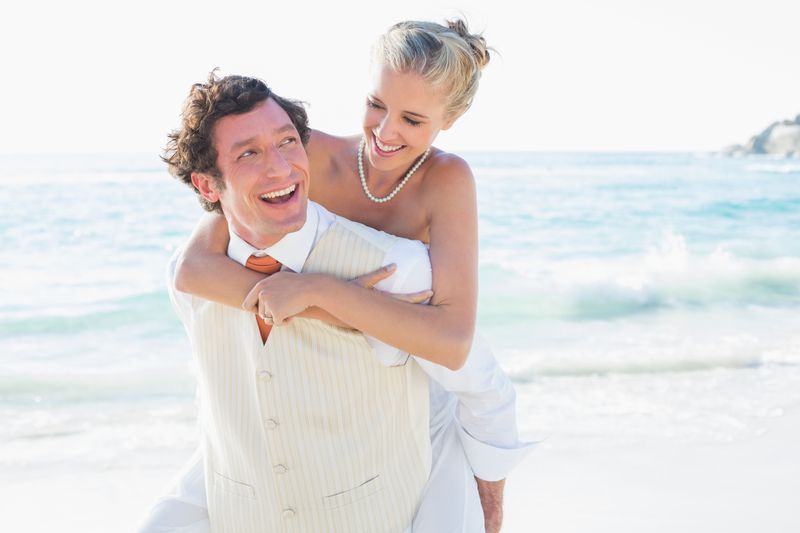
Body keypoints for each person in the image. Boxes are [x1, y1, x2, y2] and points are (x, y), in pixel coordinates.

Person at [140, 20, 531, 533]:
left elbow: (454, 342)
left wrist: (321, 291)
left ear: (449, 120)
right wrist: (319, 307)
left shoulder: (448, 180)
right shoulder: (303, 153)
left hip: (405, 383)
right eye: (376, 105)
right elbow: (192, 268)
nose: (386, 132)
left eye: (413, 120)